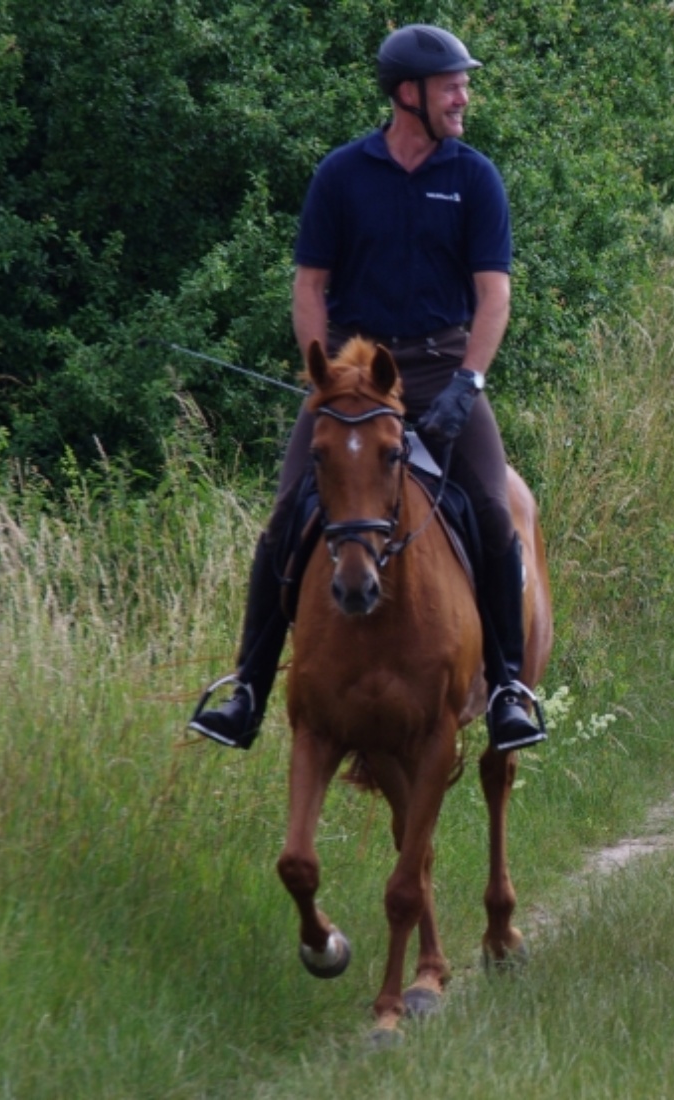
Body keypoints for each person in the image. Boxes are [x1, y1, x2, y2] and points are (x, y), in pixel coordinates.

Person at [189, 24, 545, 753]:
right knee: (287, 517)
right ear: (407, 94)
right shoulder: (341, 176)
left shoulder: (474, 177)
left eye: (463, 83)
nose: (464, 95)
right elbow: (310, 288)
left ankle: (508, 688)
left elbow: (495, 298)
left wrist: (466, 383)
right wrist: (327, 376)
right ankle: (248, 690)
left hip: (447, 366)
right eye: (452, 84)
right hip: (356, 376)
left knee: (491, 513)